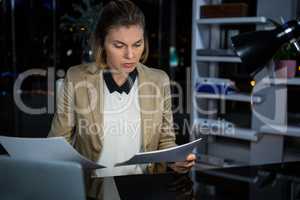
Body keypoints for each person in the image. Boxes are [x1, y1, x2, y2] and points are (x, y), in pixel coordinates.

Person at [49, 0, 196, 198]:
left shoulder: (159, 80)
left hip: (146, 190)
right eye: (119, 45)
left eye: (137, 44)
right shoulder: (76, 78)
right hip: (93, 192)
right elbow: (57, 143)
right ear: (102, 43)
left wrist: (176, 161)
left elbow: (166, 141)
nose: (130, 55)